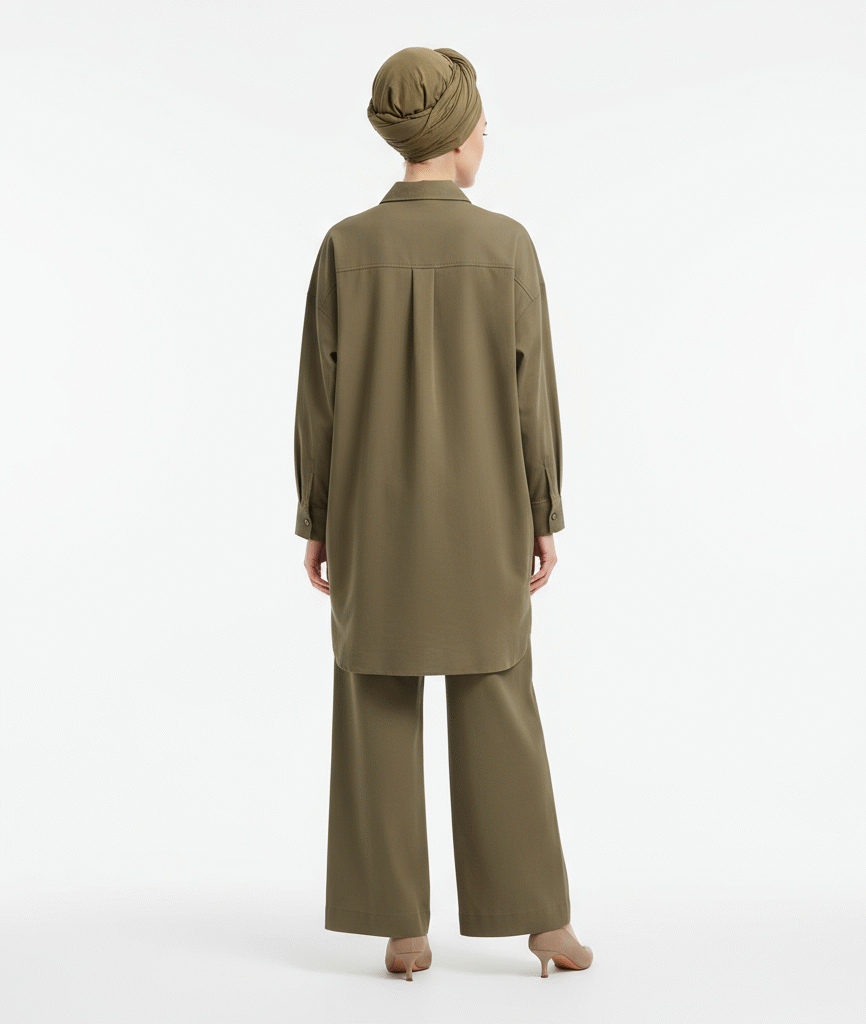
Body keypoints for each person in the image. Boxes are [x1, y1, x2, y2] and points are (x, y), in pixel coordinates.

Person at [293, 45, 593, 980]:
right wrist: (543, 510)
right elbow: (532, 396)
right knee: (500, 702)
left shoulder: (345, 246)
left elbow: (318, 402)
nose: (486, 138)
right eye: (483, 125)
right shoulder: (507, 246)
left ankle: (402, 929)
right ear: (459, 137)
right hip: (486, 516)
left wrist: (318, 519)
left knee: (375, 702)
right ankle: (542, 927)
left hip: (372, 524)